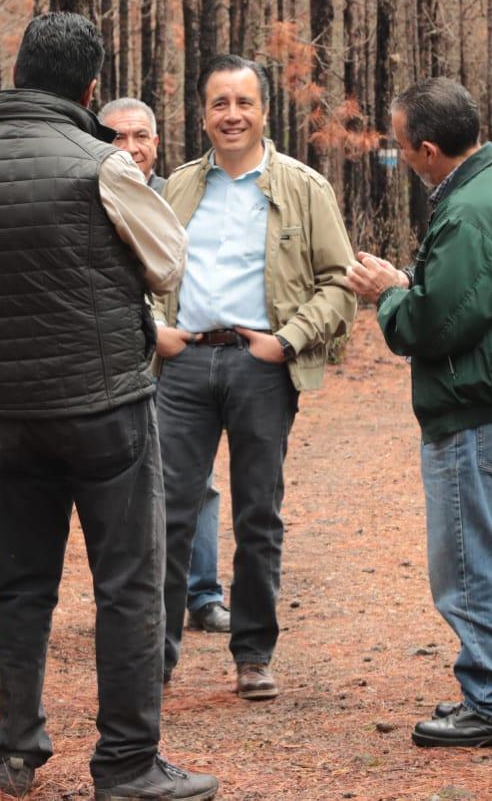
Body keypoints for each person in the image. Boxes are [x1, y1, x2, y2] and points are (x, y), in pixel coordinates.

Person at [0, 12, 217, 801]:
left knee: (21, 586)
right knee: (127, 583)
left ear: (18, 69)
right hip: (104, 407)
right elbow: (167, 266)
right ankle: (126, 763)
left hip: (10, 409)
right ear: (91, 89)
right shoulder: (104, 165)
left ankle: (16, 750)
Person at [345, 77, 492, 749]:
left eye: (405, 146)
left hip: (472, 406)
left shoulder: (470, 209)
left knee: (467, 564)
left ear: (430, 148)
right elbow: (473, 293)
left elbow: (433, 326)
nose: (403, 157)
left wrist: (388, 295)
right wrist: (413, 283)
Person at [154, 55, 356, 699]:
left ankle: (253, 652)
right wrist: (152, 329)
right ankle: (152, 658)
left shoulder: (304, 187)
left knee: (258, 514)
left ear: (264, 110)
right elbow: (138, 271)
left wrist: (289, 341)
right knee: (166, 515)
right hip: (182, 365)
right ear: (203, 113)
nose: (232, 115)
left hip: (259, 367)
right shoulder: (178, 189)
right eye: (219, 103)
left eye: (244, 102)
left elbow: (340, 284)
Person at [100, 98, 229, 636]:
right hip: (118, 362)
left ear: (158, 141)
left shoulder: (181, 196)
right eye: (117, 139)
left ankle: (202, 593)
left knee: (195, 482)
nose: (131, 149)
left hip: (182, 359)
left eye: (141, 137)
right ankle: (136, 597)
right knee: (121, 482)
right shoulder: (92, 197)